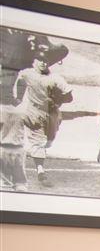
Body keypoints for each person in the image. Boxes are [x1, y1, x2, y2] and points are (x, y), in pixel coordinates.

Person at [13, 45, 73, 186]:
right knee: (37, 141)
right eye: (40, 60)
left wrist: (57, 100)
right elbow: (20, 81)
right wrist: (19, 98)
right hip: (34, 111)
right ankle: (41, 172)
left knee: (49, 141)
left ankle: (41, 149)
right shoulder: (27, 73)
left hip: (52, 113)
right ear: (34, 61)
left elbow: (70, 97)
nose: (43, 63)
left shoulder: (56, 78)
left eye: (46, 60)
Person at [0, 103, 28, 192]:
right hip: (18, 149)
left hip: (3, 148)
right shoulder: (22, 111)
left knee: (4, 184)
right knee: (20, 184)